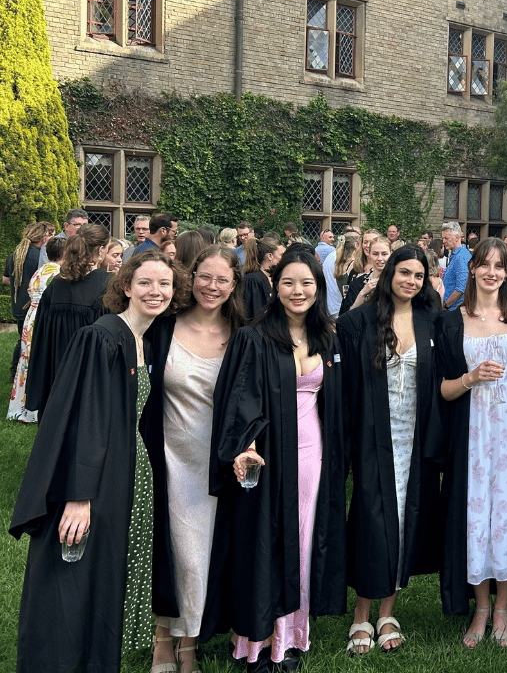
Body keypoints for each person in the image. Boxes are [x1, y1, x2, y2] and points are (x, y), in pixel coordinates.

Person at [10, 249, 188, 672]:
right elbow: (82, 420)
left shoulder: (143, 338)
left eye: (164, 284)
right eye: (145, 282)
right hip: (93, 478)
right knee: (72, 580)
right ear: (125, 286)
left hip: (126, 472)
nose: (155, 291)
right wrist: (78, 496)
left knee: (102, 579)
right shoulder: (103, 337)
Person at [207, 248, 347, 672]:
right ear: (275, 286)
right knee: (264, 543)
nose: (297, 291)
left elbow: (336, 403)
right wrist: (245, 446)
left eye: (306, 283)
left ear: (319, 288)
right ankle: (257, 644)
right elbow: (237, 399)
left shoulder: (327, 337)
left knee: (303, 541)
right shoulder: (254, 337)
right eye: (288, 282)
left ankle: (291, 639)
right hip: (266, 457)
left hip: (312, 457)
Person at [337, 245, 442, 655]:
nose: (410, 281)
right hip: (372, 436)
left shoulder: (432, 322)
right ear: (388, 274)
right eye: (403, 273)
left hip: (415, 438)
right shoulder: (360, 322)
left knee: (404, 520)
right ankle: (360, 615)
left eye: (418, 275)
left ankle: (387, 612)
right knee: (370, 519)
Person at [146, 245, 246, 673]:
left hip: (217, 461)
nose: (213, 286)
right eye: (205, 276)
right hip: (168, 454)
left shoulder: (242, 335)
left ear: (234, 286)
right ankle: (161, 640)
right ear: (192, 276)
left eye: (223, 279)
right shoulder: (163, 327)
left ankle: (189, 643)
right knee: (169, 550)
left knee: (200, 553)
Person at [437, 237, 507, 646]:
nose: (492, 272)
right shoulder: (451, 322)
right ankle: (480, 607)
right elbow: (442, 389)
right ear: (472, 268)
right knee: (476, 515)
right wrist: (471, 377)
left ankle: (504, 608)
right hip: (474, 433)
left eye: (500, 266)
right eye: (485, 265)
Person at [25, 223, 112, 421]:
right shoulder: (107, 286)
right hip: (90, 378)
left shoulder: (56, 285)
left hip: (56, 373)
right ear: (100, 250)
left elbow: (41, 340)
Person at [7, 236, 66, 422]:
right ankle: (35, 409)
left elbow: (30, 292)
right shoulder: (59, 273)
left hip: (31, 317)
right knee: (41, 359)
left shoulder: (40, 271)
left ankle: (21, 405)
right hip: (44, 318)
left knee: (27, 361)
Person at [4, 222, 49, 379]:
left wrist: (20, 282)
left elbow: (5, 279)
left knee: (23, 338)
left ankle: (15, 372)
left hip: (18, 304)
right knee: (32, 341)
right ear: (43, 237)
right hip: (32, 304)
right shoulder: (40, 256)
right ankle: (19, 372)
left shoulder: (14, 255)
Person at [339, 236, 391, 314]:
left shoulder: (396, 282)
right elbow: (345, 316)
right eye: (375, 254)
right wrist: (363, 294)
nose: (380, 258)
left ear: (390, 254)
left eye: (384, 254)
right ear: (369, 255)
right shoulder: (357, 283)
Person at [242, 237, 286, 321]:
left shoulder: (276, 278)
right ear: (270, 256)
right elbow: (254, 315)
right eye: (281, 255)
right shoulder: (253, 280)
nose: (284, 258)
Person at [322, 232, 359, 319]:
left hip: (330, 307)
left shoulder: (334, 258)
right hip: (342, 307)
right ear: (356, 245)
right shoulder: (352, 264)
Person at [441, 222, 471, 310]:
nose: (443, 241)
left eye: (446, 238)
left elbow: (461, 287)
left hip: (453, 310)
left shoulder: (461, 256)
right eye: (443, 238)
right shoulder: (456, 255)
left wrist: (446, 305)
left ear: (457, 237)